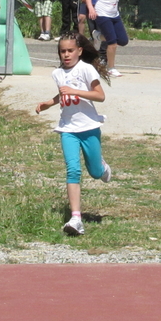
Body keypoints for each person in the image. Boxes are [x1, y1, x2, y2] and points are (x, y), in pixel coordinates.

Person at [35, 33, 112, 236]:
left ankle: (102, 166)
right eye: (63, 51)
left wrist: (75, 91)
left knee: (95, 172)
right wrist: (48, 103)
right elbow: (63, 95)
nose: (66, 55)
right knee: (73, 170)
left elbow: (100, 96)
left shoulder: (86, 69)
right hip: (68, 128)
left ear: (79, 51)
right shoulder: (58, 74)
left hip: (88, 127)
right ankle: (76, 218)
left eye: (70, 50)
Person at [85, 0, 146, 78]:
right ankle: (111, 68)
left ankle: (97, 35)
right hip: (102, 13)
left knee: (122, 41)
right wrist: (91, 9)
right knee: (112, 43)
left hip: (114, 14)